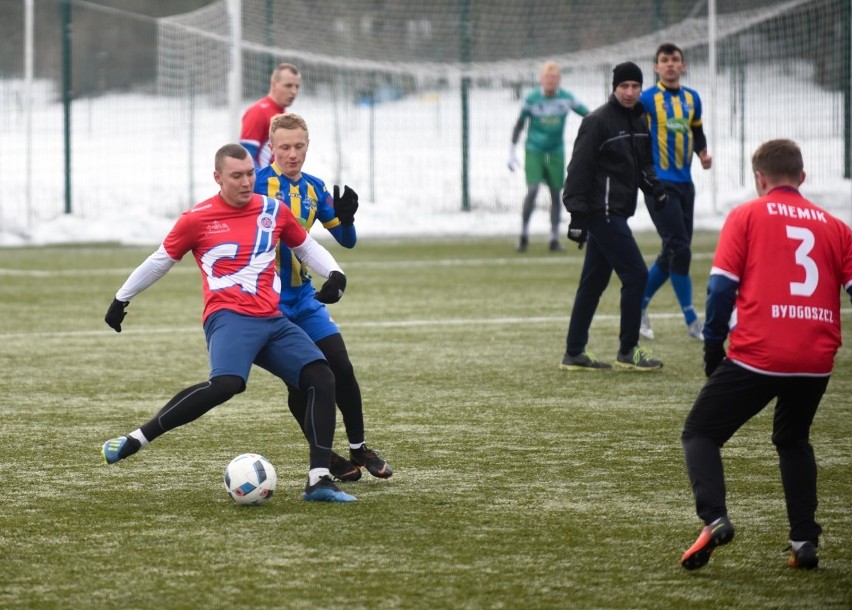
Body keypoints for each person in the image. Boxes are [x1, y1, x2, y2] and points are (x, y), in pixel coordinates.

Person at [101, 143, 357, 503]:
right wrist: (121, 298)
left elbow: (306, 247)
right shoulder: (197, 218)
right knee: (227, 384)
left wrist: (336, 274)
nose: (246, 181)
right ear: (218, 177)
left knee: (322, 376)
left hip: (272, 318)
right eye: (237, 175)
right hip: (229, 317)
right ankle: (135, 439)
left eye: (250, 173)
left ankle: (319, 480)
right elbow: (160, 260)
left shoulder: (273, 209)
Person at [679, 139, 852, 571]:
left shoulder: (747, 215)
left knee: (700, 432)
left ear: (760, 178)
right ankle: (804, 542)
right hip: (815, 358)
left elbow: (720, 288)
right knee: (793, 439)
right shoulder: (836, 226)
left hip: (759, 353)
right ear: (803, 177)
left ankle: (714, 518)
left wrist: (713, 344)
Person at [255, 113, 393, 482]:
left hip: (303, 298)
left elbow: (346, 241)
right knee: (301, 381)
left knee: (342, 368)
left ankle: (359, 447)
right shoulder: (254, 186)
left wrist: (347, 219)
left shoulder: (314, 188)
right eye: (284, 147)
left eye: (299, 146)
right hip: (268, 305)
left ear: (307, 145)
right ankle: (326, 458)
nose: (292, 154)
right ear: (272, 147)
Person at [559, 62, 667, 372]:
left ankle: (574, 352)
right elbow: (578, 169)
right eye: (625, 86)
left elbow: (643, 164)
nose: (630, 92)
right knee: (637, 275)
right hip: (601, 213)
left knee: (593, 282)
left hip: (618, 210)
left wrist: (654, 188)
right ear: (614, 88)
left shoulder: (638, 119)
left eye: (635, 86)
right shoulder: (597, 121)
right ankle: (628, 350)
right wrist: (577, 216)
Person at [639, 43, 712, 341]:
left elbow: (696, 132)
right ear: (656, 67)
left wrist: (703, 153)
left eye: (675, 60)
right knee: (680, 249)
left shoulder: (692, 98)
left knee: (672, 253)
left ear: (682, 65)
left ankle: (638, 306)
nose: (670, 64)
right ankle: (692, 318)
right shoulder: (645, 100)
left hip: (686, 185)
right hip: (658, 184)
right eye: (664, 60)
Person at [508, 60, 589, 253]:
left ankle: (553, 238)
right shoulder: (532, 99)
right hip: (534, 150)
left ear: (559, 80)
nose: (550, 81)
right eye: (547, 77)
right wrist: (512, 151)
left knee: (556, 194)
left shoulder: (566, 98)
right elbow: (519, 124)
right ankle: (524, 235)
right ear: (541, 79)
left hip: (556, 151)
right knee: (533, 190)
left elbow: (589, 115)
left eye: (554, 77)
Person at [240, 63, 301, 169]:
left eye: (297, 86)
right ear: (273, 84)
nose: (294, 91)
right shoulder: (258, 111)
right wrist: (264, 183)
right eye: (288, 85)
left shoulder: (283, 114)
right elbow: (246, 157)